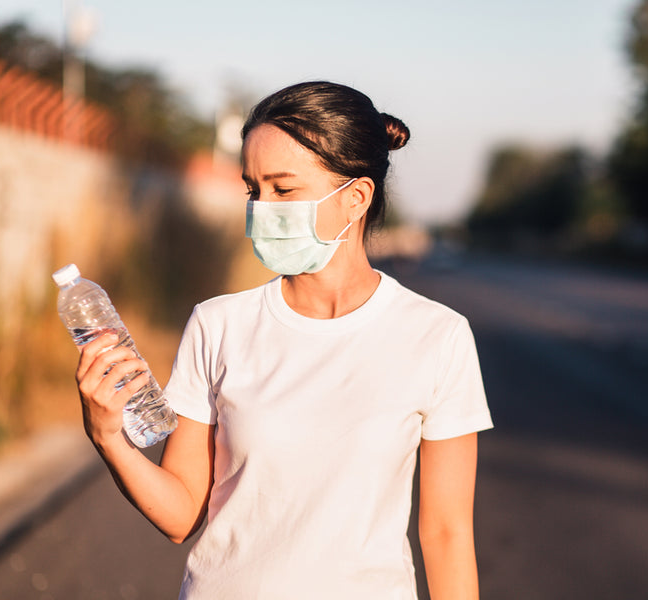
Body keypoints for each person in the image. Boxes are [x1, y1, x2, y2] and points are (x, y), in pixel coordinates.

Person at [75, 81, 493, 599]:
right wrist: (108, 435)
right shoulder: (217, 324)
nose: (261, 207)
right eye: (253, 188)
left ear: (355, 199)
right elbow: (181, 514)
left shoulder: (437, 336)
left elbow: (447, 536)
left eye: (284, 189)